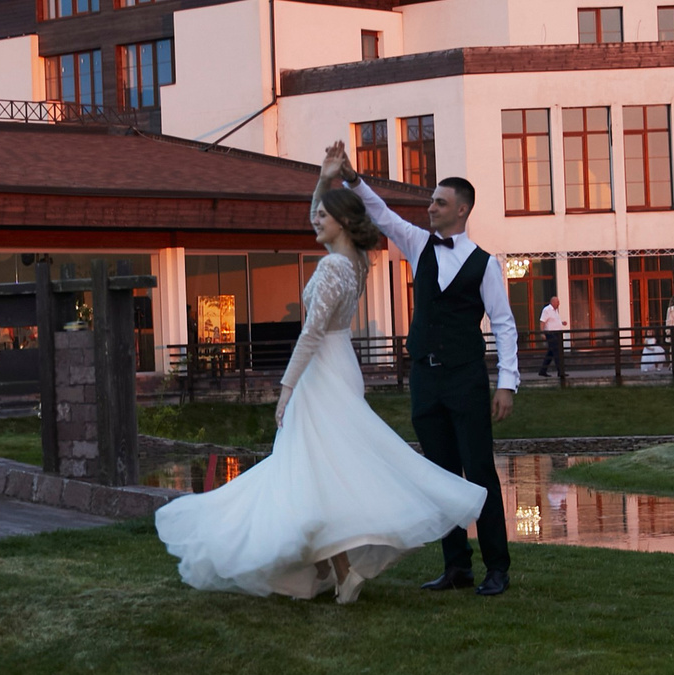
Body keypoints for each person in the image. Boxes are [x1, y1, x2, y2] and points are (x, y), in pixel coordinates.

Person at [154, 179, 487, 602]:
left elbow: (310, 333)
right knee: (323, 471)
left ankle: (337, 567)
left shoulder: (333, 267)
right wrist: (326, 178)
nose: (315, 219)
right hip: (340, 362)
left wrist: (287, 386)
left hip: (322, 370)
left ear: (342, 222)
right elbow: (326, 219)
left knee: (315, 471)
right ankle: (334, 569)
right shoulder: (356, 262)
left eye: (323, 216)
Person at [329, 141, 519, 597]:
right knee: (439, 473)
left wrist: (506, 384)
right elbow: (381, 214)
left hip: (466, 377)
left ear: (462, 209)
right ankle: (457, 566)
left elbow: (505, 324)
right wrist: (351, 178)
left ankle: (498, 567)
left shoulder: (486, 265)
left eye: (439, 201)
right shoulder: (419, 244)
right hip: (426, 378)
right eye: (432, 200)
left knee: (480, 472)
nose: (430, 207)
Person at [536, 295, 566, 377]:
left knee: (550, 353)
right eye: (557, 302)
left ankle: (543, 370)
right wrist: (542, 333)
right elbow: (542, 321)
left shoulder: (555, 311)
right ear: (552, 302)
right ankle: (560, 371)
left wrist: (562, 323)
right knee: (557, 352)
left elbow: (554, 321)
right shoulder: (547, 310)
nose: (558, 304)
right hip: (551, 334)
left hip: (557, 333)